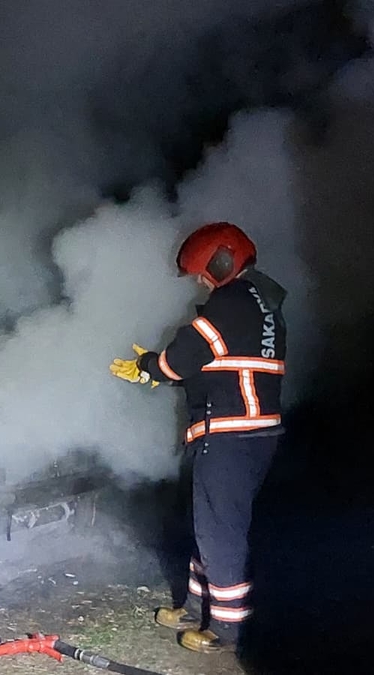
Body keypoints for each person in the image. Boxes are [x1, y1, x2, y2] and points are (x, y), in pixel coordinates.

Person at [110, 221, 287, 654]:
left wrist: (152, 366)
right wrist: (168, 375)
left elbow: (182, 357)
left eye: (203, 272)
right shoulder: (262, 305)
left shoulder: (228, 301)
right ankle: (194, 604)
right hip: (250, 434)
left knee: (220, 530)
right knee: (211, 525)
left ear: (223, 261)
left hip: (229, 435)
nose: (202, 282)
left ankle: (225, 630)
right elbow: (217, 366)